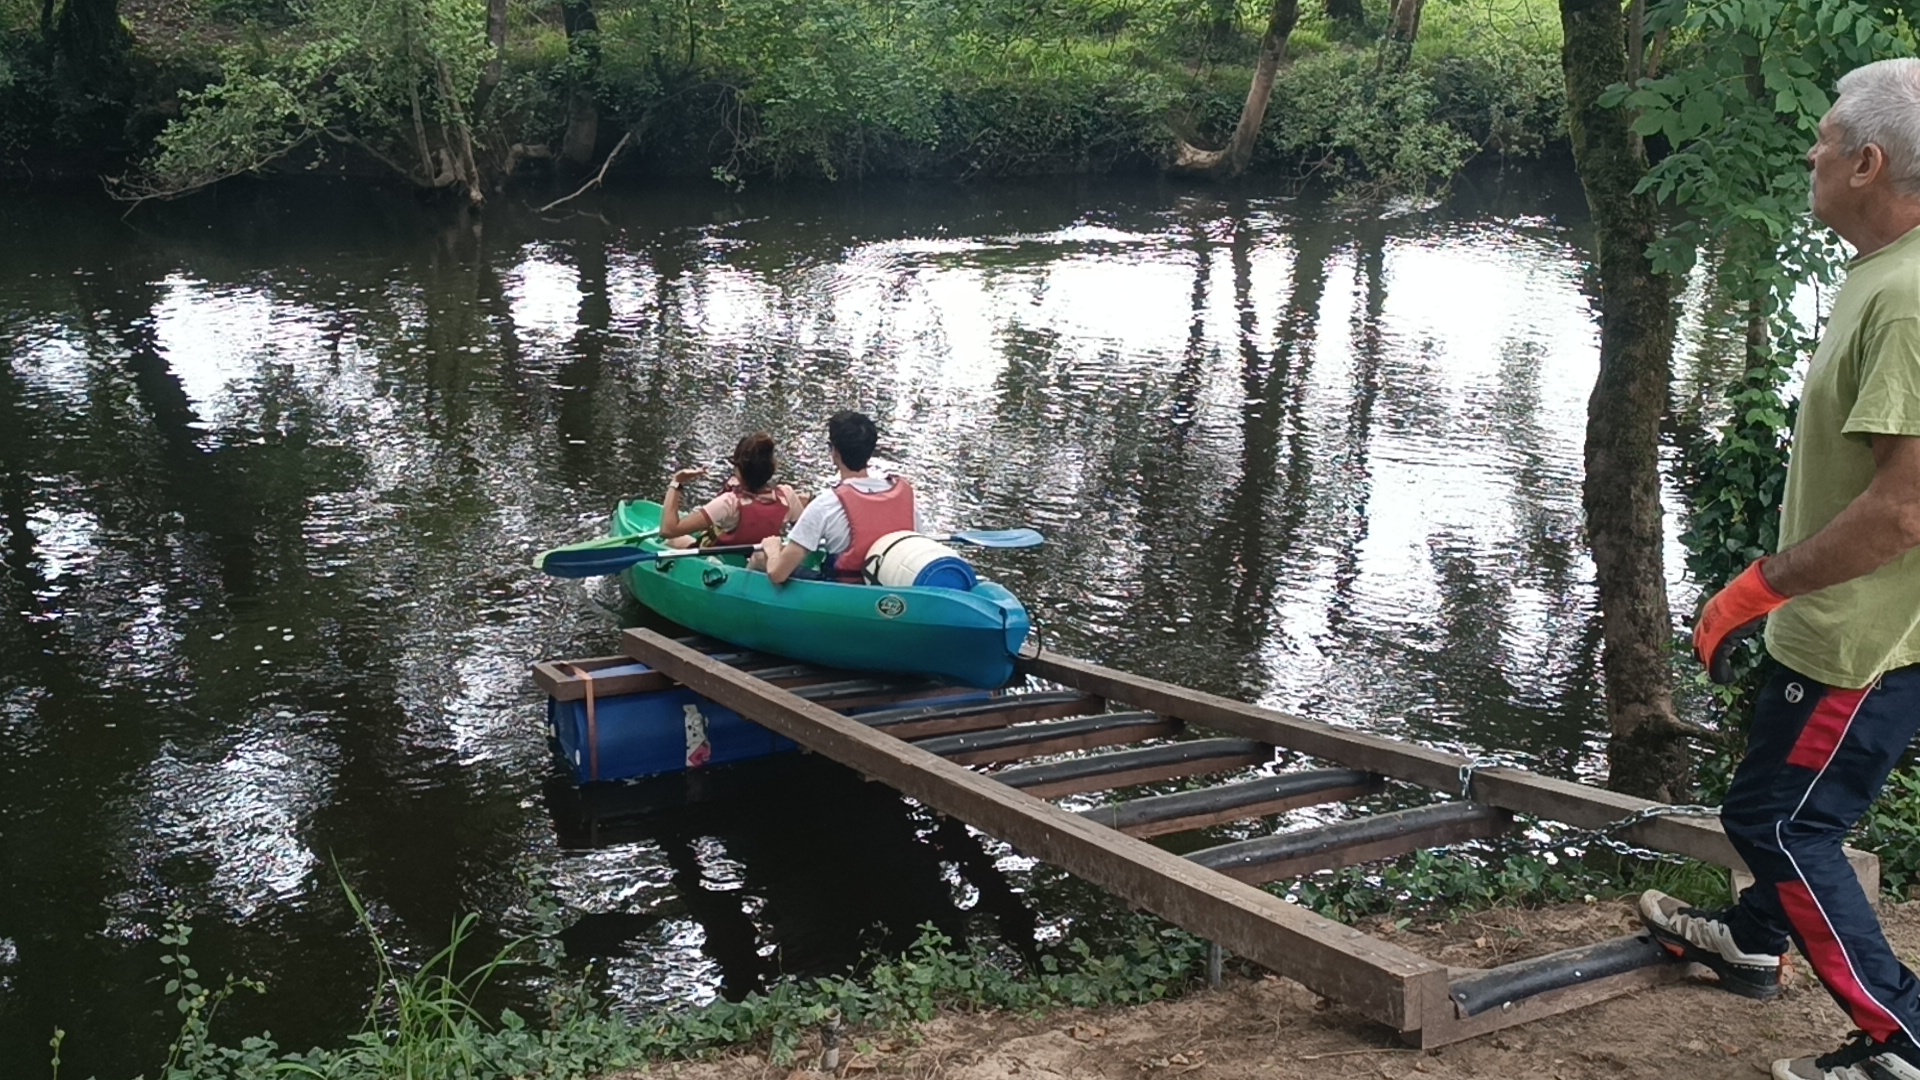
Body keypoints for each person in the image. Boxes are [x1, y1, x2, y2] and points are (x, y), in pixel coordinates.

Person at [1639, 58, 1920, 1080]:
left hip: (1862, 642)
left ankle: (1902, 1036)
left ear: (1869, 163)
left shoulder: (1910, 299)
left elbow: (1904, 509)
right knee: (1795, 806)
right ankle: (1755, 940)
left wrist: (1755, 590)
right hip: (1861, 630)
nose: (1812, 150)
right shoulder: (1891, 272)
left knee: (1780, 821)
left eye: (1826, 137)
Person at [755, 410, 919, 585]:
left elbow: (778, 574)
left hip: (841, 592)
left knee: (760, 556)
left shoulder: (826, 504)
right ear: (870, 452)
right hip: (888, 586)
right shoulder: (906, 499)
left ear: (835, 452)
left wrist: (772, 549)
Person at [657, 432, 800, 549]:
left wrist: (677, 482)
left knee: (673, 541)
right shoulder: (787, 495)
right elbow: (805, 532)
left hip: (718, 561)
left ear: (739, 470)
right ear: (773, 468)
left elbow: (668, 530)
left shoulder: (729, 503)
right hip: (757, 558)